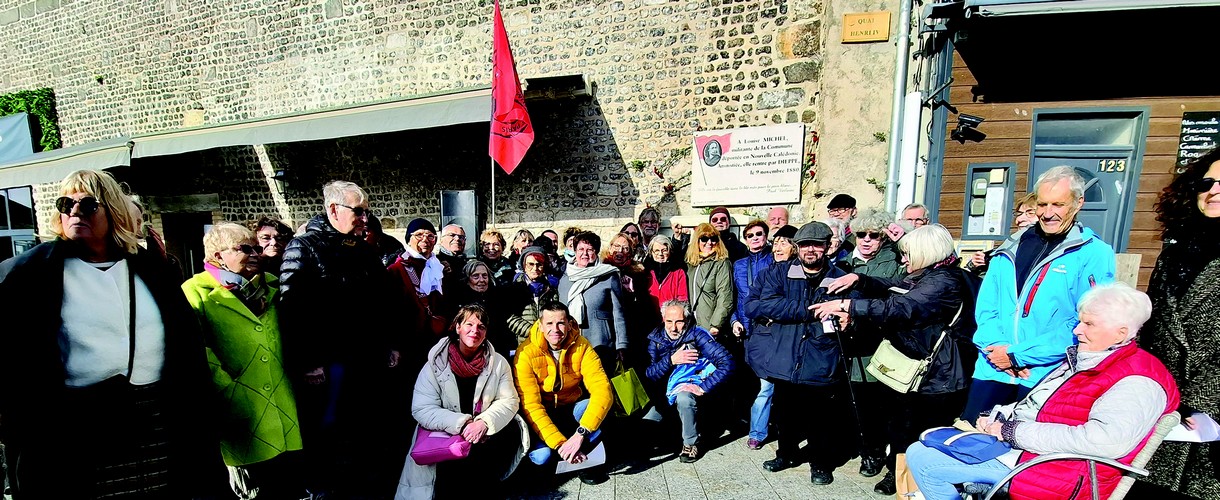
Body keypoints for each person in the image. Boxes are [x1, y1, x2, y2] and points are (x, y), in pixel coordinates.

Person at [0, 170, 220, 497]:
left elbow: (186, 347)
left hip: (158, 417)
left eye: (88, 205)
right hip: (72, 427)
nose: (74, 212)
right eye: (66, 204)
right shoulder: (29, 273)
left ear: (112, 211)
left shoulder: (151, 269)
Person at [907, 283, 1179, 500]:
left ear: (1121, 333)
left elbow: (1106, 442)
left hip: (1060, 471)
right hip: (1036, 454)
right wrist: (998, 417)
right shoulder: (1091, 358)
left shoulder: (1137, 380)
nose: (1077, 330)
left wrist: (1012, 432)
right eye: (1080, 321)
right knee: (931, 443)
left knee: (924, 460)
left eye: (1089, 324)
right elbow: (1045, 405)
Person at [811, 224, 978, 495]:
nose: (902, 259)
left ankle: (914, 481)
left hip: (936, 375)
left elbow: (902, 306)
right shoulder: (930, 274)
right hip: (919, 368)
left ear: (926, 252)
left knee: (920, 430)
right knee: (901, 424)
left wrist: (847, 305)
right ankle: (899, 473)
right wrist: (861, 279)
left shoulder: (944, 281)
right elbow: (897, 287)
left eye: (908, 254)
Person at [962, 166, 1117, 424]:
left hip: (1044, 375)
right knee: (970, 445)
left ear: (1078, 203)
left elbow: (1085, 322)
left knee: (1024, 457)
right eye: (1042, 204)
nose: (1048, 213)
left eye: (1058, 204)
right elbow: (987, 307)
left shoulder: (1094, 253)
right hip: (992, 369)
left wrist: (1019, 355)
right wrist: (998, 352)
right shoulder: (1011, 245)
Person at [277, 180, 402, 497]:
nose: (364, 219)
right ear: (333, 209)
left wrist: (390, 344)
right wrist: (306, 362)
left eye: (366, 212)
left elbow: (384, 302)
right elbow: (291, 309)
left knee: (365, 432)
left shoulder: (363, 250)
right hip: (326, 364)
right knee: (327, 436)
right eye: (358, 211)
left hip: (366, 359)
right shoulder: (302, 247)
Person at [183, 222, 303, 499]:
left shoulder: (273, 287)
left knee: (289, 489)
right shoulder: (195, 293)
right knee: (254, 492)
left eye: (255, 248)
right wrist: (227, 388)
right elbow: (196, 349)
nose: (255, 253)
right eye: (244, 248)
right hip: (240, 412)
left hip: (284, 407)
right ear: (217, 256)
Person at [745, 221, 859, 485]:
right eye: (805, 244)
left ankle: (821, 464)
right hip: (785, 355)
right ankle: (786, 454)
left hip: (821, 357)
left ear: (827, 246)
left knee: (821, 418)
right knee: (785, 413)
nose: (810, 250)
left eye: (817, 245)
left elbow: (853, 310)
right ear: (796, 247)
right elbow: (755, 305)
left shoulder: (839, 277)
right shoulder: (777, 273)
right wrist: (811, 309)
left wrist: (848, 318)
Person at [1143, 148, 1220, 498]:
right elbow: (1153, 324)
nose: (1214, 190)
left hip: (1208, 420)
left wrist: (1197, 398)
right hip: (1164, 407)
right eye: (1207, 182)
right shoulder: (1175, 252)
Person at [395, 305, 527, 500]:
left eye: (481, 326)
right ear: (457, 327)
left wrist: (484, 422)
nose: (475, 330)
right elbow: (422, 408)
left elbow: (509, 400)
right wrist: (463, 423)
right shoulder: (435, 363)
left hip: (484, 436)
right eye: (469, 324)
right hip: (446, 437)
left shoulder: (497, 362)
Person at [833, 207, 907, 478]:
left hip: (880, 345)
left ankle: (879, 456)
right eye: (861, 234)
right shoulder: (844, 261)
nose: (866, 240)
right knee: (857, 405)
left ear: (883, 237)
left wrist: (901, 236)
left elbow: (899, 284)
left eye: (873, 235)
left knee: (881, 406)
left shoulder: (893, 260)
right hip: (848, 345)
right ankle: (868, 450)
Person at [513, 302, 615, 485]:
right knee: (541, 457)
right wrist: (560, 444)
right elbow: (531, 406)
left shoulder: (582, 346)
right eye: (549, 324)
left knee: (592, 407)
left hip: (570, 408)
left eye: (561, 323)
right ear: (541, 325)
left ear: (569, 324)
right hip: (543, 415)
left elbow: (603, 390)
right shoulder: (525, 353)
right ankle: (563, 456)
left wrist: (580, 434)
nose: (556, 329)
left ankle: (585, 460)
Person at [642, 300, 735, 463]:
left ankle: (691, 443)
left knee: (684, 398)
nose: (673, 328)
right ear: (663, 318)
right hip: (664, 393)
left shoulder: (698, 335)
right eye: (669, 321)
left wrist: (703, 387)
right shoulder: (655, 339)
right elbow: (649, 375)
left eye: (679, 322)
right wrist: (671, 360)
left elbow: (727, 362)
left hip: (691, 387)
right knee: (647, 429)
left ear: (686, 320)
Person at [559, 231, 628, 370]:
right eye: (581, 249)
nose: (585, 253)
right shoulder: (565, 277)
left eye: (589, 250)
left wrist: (621, 344)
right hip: (571, 341)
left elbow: (618, 312)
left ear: (596, 252)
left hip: (601, 341)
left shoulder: (608, 275)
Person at [389, 218, 447, 339]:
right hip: (409, 337)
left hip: (437, 335)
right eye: (419, 235)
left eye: (430, 236)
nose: (425, 239)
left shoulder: (438, 267)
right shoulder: (396, 270)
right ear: (408, 240)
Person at [502, 246, 559, 354]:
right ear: (524, 266)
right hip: (523, 344)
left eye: (539, 264)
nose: (535, 268)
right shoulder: (513, 288)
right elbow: (510, 317)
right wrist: (534, 331)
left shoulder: (550, 289)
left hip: (547, 343)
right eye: (531, 264)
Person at [686, 223, 735, 338]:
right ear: (697, 241)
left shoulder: (721, 263)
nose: (709, 243)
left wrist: (716, 325)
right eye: (704, 239)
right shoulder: (692, 264)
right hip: (692, 326)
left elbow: (725, 296)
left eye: (713, 239)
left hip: (711, 328)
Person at [969, 192, 1038, 273]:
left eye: (1030, 213)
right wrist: (977, 264)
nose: (1019, 219)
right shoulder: (1008, 247)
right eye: (1019, 214)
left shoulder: (1044, 251)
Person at [644, 234, 689, 318]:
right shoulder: (646, 272)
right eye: (656, 250)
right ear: (651, 252)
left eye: (664, 250)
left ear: (670, 251)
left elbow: (682, 299)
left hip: (671, 319)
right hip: (649, 318)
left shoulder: (678, 272)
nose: (660, 254)